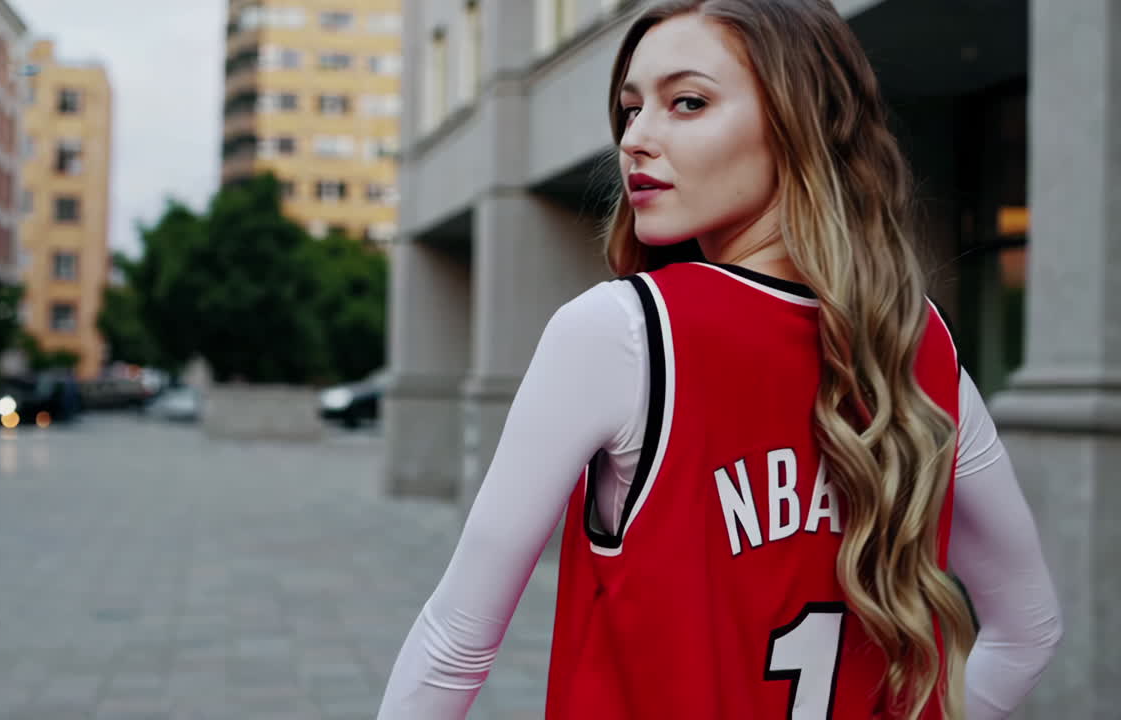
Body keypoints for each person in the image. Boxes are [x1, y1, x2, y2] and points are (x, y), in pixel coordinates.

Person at [375, 1, 1062, 719]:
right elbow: (1028, 633)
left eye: (688, 102)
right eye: (631, 108)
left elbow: (454, 642)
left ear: (799, 122)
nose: (636, 138)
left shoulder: (626, 332)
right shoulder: (922, 338)